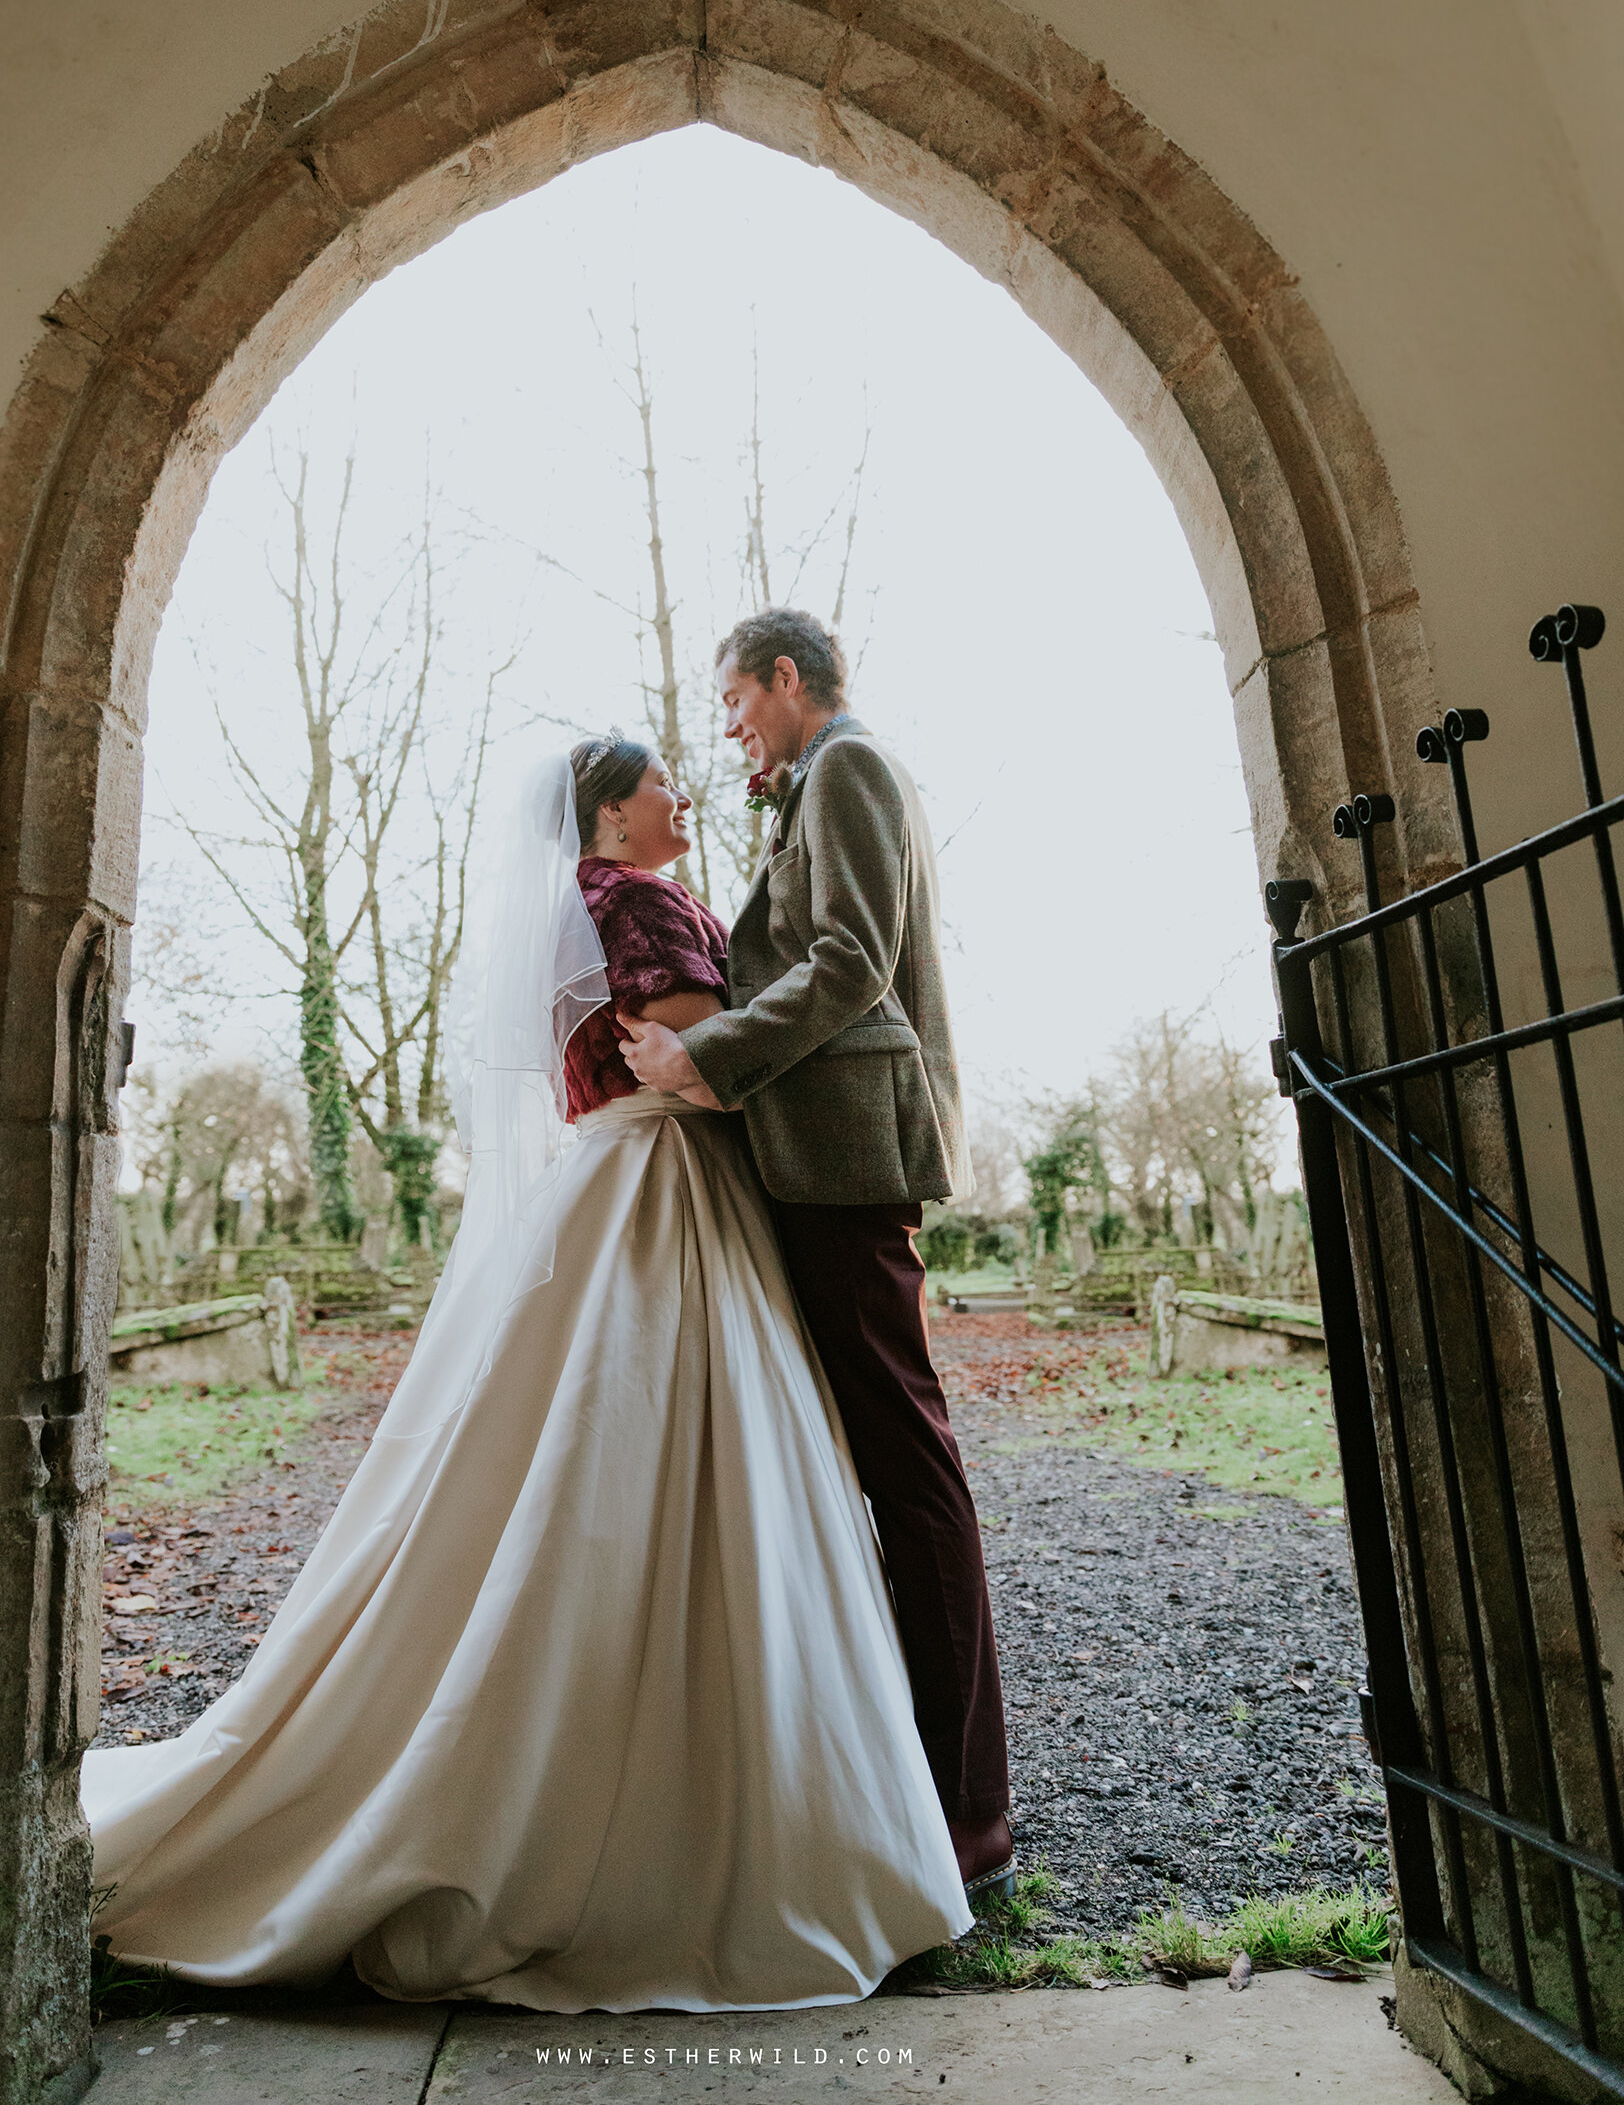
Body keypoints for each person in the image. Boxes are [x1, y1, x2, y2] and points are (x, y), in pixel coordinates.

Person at [80, 736, 972, 2012]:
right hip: (665, 1194)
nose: (681, 795)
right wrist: (746, 1053)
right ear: (610, 813)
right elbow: (692, 1055)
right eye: (659, 780)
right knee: (671, 1458)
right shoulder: (639, 900)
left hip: (620, 1177)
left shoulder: (588, 901)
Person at [620, 608, 1015, 1896]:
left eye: (736, 697)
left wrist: (704, 1055)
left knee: (909, 1464)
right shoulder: (811, 781)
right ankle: (905, 1780)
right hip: (818, 1159)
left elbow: (851, 962)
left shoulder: (848, 764)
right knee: (876, 1458)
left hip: (848, 1159)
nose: (730, 723)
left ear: (788, 679)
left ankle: (968, 1820)